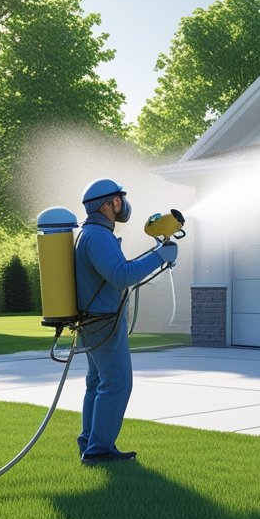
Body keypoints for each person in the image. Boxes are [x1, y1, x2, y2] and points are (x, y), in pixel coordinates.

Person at [73, 178, 179, 465]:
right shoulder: (98, 236)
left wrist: (156, 255)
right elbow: (121, 276)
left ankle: (89, 442)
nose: (123, 205)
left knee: (97, 382)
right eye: (118, 200)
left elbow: (118, 270)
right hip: (103, 321)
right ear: (107, 205)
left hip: (93, 319)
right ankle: (98, 450)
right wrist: (160, 256)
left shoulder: (91, 233)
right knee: (117, 383)